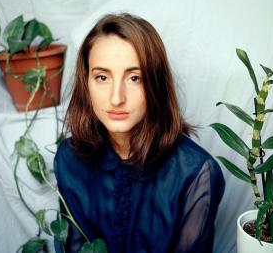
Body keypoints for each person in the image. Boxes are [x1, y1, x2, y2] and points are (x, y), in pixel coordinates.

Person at [54, 13, 225, 253]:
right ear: (86, 83)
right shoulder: (68, 158)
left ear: (156, 83)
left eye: (134, 78)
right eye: (102, 77)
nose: (116, 98)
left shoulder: (196, 174)